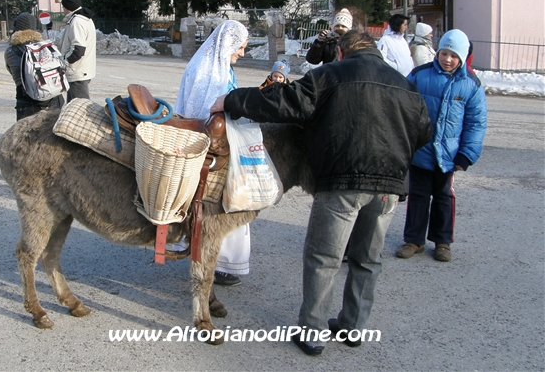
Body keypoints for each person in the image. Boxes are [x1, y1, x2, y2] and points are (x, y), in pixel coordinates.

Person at [210, 30, 432, 356]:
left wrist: (231, 100)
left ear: (341, 52)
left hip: (342, 182)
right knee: (367, 259)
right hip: (389, 187)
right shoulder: (405, 84)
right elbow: (426, 131)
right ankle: (352, 327)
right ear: (376, 52)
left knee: (323, 258)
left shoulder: (330, 75)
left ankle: (313, 333)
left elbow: (283, 101)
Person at [396, 29, 488, 263]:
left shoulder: (471, 84)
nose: (447, 59)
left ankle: (442, 241)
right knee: (417, 195)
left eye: (454, 56)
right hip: (420, 150)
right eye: (444, 53)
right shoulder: (419, 75)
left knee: (444, 197)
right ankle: (413, 240)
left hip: (449, 155)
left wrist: (467, 154)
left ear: (462, 57)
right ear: (438, 52)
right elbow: (403, 110)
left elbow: (476, 122)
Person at [175, 19, 251, 287]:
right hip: (208, 149)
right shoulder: (206, 71)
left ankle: (220, 259)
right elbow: (198, 115)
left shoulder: (221, 68)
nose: (242, 53)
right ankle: (217, 261)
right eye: (240, 47)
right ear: (228, 44)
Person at [4, 12, 64, 121]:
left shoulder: (11, 51)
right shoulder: (47, 47)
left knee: (27, 136)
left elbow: (13, 72)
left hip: (27, 100)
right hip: (54, 97)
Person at [58, 0, 96, 102]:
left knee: (80, 108)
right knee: (73, 107)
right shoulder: (85, 19)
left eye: (63, 6)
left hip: (77, 71)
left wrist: (65, 61)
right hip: (80, 70)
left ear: (67, 7)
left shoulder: (77, 22)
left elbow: (78, 50)